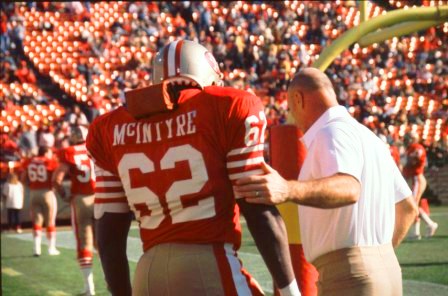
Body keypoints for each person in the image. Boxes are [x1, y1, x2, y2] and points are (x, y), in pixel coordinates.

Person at [87, 40, 299, 296]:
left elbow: (108, 234)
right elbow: (257, 208)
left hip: (148, 271)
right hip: (209, 264)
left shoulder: (108, 128)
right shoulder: (227, 106)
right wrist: (290, 291)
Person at [234, 67, 418, 296]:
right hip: (386, 270)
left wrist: (287, 189)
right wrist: (379, 258)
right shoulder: (370, 138)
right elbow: (408, 208)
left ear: (298, 99)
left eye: (291, 107)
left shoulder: (330, 132)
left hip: (349, 273)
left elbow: (349, 188)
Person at [53, 125, 96, 296]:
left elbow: (57, 179)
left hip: (81, 198)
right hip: (101, 197)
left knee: (84, 241)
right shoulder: (95, 147)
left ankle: (89, 289)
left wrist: (64, 195)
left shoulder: (69, 151)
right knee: (106, 243)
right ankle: (114, 285)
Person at [21, 146, 60, 256]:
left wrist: (31, 186)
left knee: (37, 222)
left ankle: (36, 249)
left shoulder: (29, 161)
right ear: (46, 152)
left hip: (33, 193)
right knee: (50, 221)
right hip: (47, 192)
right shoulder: (49, 161)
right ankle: (51, 248)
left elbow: (23, 178)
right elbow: (55, 177)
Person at [403, 132, 438, 239]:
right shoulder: (410, 149)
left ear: (414, 138)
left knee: (413, 205)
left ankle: (430, 224)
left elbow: (415, 160)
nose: (406, 140)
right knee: (414, 205)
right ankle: (416, 232)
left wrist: (407, 159)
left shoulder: (417, 147)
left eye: (409, 138)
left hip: (417, 178)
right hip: (413, 179)